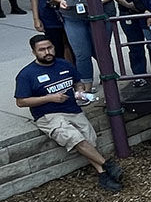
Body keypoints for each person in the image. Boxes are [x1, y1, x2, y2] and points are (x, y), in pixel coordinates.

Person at [14, 34, 124, 193]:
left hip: (72, 109)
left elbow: (77, 82)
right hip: (48, 115)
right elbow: (21, 102)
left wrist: (80, 92)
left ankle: (103, 174)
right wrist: (50, 98)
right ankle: (108, 165)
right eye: (42, 50)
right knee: (73, 137)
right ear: (34, 52)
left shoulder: (64, 64)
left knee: (90, 139)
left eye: (49, 48)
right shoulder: (27, 74)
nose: (47, 52)